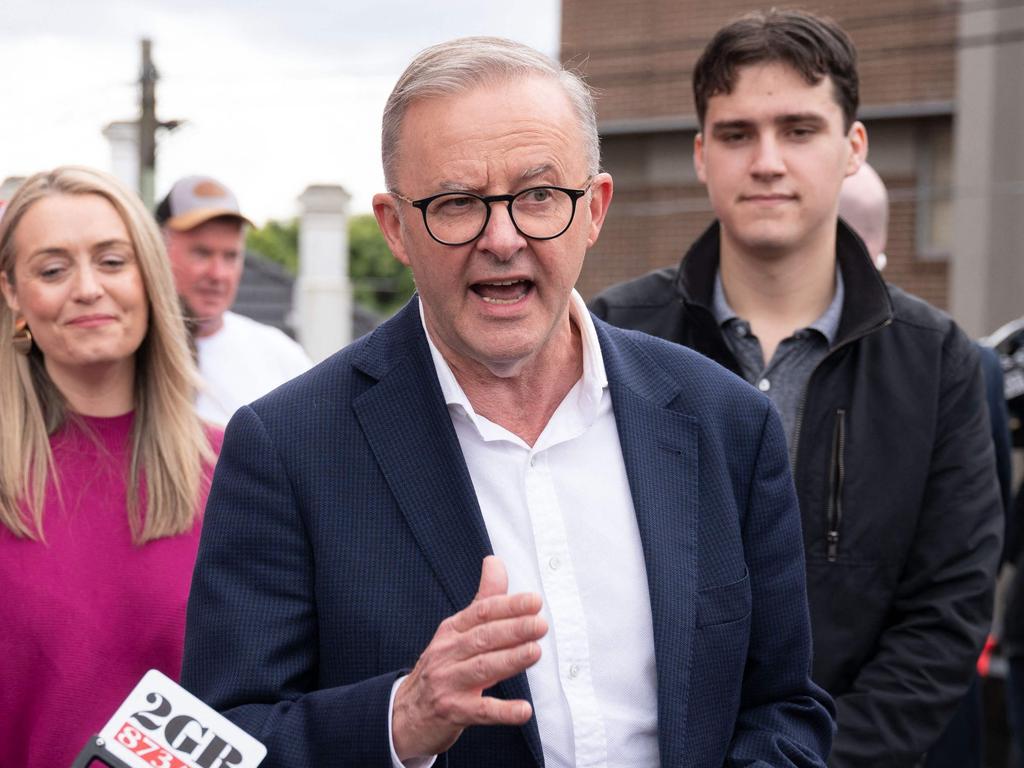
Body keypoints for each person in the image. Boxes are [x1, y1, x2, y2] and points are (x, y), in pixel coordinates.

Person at [182, 36, 834, 767]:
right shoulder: (289, 448)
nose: (502, 238)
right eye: (457, 204)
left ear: (594, 208)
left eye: (538, 197)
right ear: (395, 226)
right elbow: (225, 739)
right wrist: (401, 719)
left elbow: (782, 707)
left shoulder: (726, 423)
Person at [591, 10, 1003, 766]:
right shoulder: (610, 338)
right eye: (737, 133)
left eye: (800, 129)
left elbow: (946, 615)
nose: (768, 161)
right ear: (700, 154)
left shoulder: (938, 362)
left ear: (853, 149)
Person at [0, 166, 223, 768]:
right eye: (52, 269)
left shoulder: (236, 472)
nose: (87, 289)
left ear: (149, 276)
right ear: (13, 295)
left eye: (112, 261)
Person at [839, 162, 1013, 768]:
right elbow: (991, 537)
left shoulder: (948, 361)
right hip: (929, 708)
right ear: (881, 241)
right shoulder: (967, 360)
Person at [156, 175, 310, 424]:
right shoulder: (124, 354)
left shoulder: (282, 357)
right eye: (202, 253)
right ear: (157, 250)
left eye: (231, 256)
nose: (218, 274)